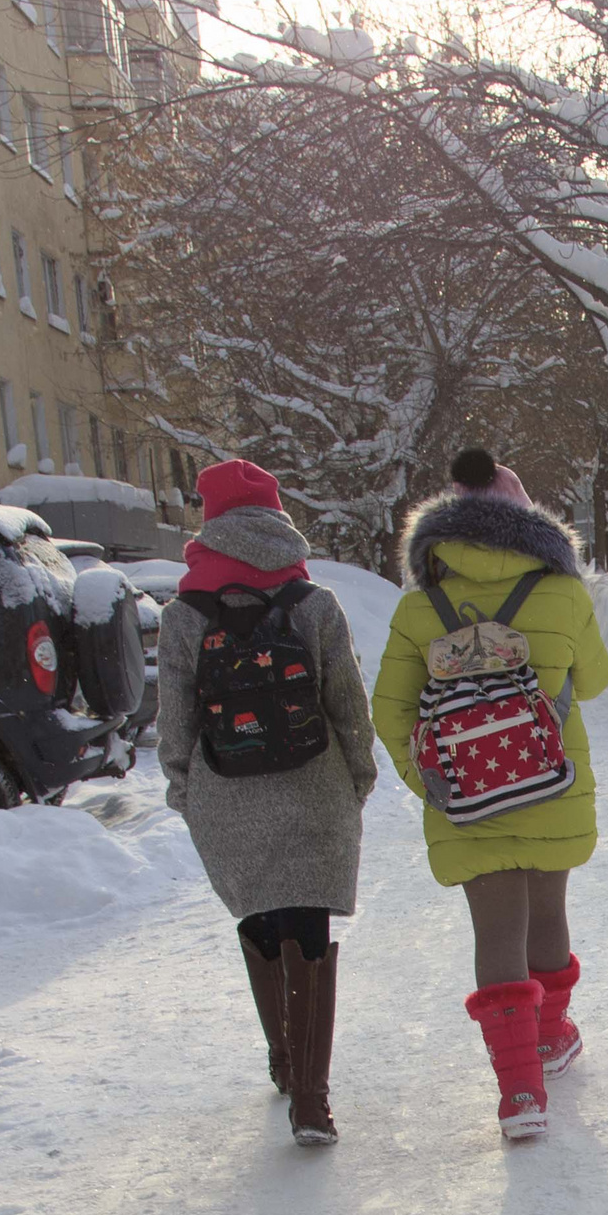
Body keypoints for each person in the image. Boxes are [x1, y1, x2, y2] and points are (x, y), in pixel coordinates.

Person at [371, 449, 608, 1141]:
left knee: (497, 928)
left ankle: (519, 1095)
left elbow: (387, 712)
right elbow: (594, 680)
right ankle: (550, 1036)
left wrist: (435, 782)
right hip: (550, 781)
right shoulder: (563, 594)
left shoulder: (420, 607)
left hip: (468, 801)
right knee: (548, 911)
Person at [158, 458, 378, 1145]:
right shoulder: (314, 604)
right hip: (315, 784)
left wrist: (183, 786)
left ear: (210, 521)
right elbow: (347, 699)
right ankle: (312, 1101)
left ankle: (285, 1061)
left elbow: (174, 715)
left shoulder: (183, 613)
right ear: (277, 517)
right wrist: (359, 773)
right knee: (308, 927)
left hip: (225, 788)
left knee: (259, 916)